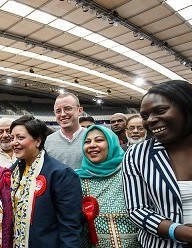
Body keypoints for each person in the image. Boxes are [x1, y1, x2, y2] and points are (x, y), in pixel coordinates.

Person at [123, 80, 192, 248]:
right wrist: (185, 233)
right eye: (145, 116)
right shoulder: (137, 155)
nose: (150, 120)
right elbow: (137, 209)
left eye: (160, 111)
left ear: (188, 108)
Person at [10, 115, 83, 247]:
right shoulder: (13, 171)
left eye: (20, 138)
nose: (14, 142)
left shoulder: (61, 174)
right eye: (12, 138)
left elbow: (70, 227)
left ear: (38, 141)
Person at [75, 125, 140, 247]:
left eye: (99, 140)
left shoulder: (130, 171)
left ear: (111, 143)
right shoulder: (77, 179)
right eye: (87, 142)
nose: (92, 145)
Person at [44, 93, 86, 169]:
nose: (62, 114)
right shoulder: (47, 142)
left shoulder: (92, 137)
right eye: (58, 111)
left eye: (68, 109)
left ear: (79, 111)